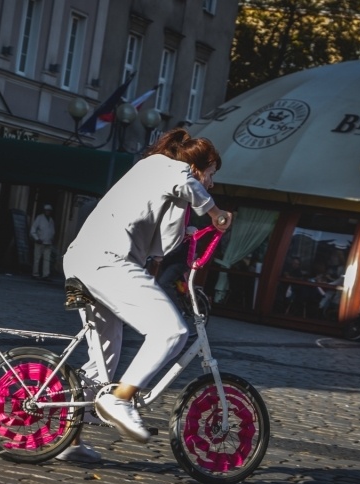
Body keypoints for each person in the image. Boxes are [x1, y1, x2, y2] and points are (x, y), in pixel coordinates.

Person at [58, 128, 231, 463]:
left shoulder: (162, 180)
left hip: (89, 259)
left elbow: (161, 241)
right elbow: (186, 184)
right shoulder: (164, 167)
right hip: (106, 260)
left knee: (103, 358)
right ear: (195, 166)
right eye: (210, 174)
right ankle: (120, 399)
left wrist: (189, 233)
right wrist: (215, 213)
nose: (210, 183)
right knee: (172, 331)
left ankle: (69, 440)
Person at [30, 204, 55, 280]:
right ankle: (35, 273)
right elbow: (33, 230)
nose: (48, 212)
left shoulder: (51, 220)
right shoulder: (39, 218)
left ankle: (45, 275)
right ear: (44, 211)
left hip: (48, 242)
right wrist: (36, 238)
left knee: (47, 259)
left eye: (49, 211)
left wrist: (52, 238)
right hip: (40, 242)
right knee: (37, 258)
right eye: (47, 210)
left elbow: (52, 231)